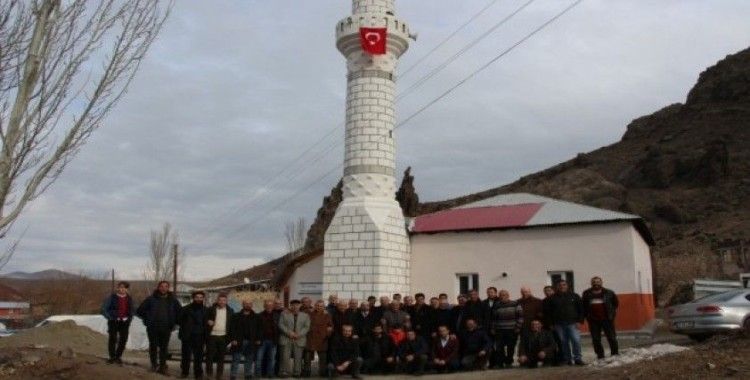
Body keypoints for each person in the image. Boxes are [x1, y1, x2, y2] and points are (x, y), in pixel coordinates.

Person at [136, 280, 182, 375]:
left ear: (168, 288)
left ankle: (162, 366)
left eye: (166, 286)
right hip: (153, 327)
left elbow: (179, 313)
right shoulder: (151, 299)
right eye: (162, 286)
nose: (164, 288)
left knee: (164, 348)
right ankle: (154, 365)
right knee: (153, 346)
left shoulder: (173, 300)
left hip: (166, 327)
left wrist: (174, 323)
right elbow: (140, 311)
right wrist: (147, 319)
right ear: (158, 287)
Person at [546, 280, 585, 365]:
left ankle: (578, 358)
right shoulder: (552, 298)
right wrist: (551, 324)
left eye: (564, 285)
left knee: (576, 340)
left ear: (567, 286)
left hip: (573, 323)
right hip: (558, 324)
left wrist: (580, 321)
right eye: (560, 285)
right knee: (563, 342)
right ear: (557, 287)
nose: (562, 286)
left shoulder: (574, 296)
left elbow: (581, 309)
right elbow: (548, 312)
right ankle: (568, 359)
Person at [582, 276, 620, 359]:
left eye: (598, 282)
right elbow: (584, 306)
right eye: (594, 282)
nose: (596, 283)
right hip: (593, 320)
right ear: (591, 283)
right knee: (596, 339)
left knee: (611, 337)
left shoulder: (609, 292)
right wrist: (587, 316)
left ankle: (615, 354)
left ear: (601, 282)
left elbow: (615, 304)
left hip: (607, 319)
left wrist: (612, 314)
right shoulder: (586, 293)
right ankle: (600, 355)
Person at [101, 281, 134, 365]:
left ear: (127, 289)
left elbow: (132, 309)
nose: (122, 289)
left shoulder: (129, 298)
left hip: (125, 321)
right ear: (117, 288)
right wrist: (110, 317)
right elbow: (104, 309)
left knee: (123, 339)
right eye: (120, 287)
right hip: (114, 320)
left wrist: (130, 318)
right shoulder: (112, 297)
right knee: (113, 338)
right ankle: (112, 357)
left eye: (124, 287)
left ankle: (118, 356)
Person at [489, 289, 523, 369]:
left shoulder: (515, 304)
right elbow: (494, 318)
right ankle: (500, 363)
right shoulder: (496, 305)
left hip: (512, 330)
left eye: (504, 295)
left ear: (508, 295)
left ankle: (509, 362)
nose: (502, 296)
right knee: (499, 347)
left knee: (511, 347)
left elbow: (520, 317)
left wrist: (518, 327)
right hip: (500, 330)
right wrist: (493, 328)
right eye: (501, 295)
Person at [178, 291, 208, 379]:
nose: (199, 299)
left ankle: (198, 374)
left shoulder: (206, 310)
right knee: (186, 355)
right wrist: (186, 326)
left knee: (198, 357)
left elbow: (208, 322)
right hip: (187, 336)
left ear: (203, 299)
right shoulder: (185, 309)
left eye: (201, 297)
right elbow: (179, 320)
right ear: (193, 298)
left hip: (200, 336)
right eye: (197, 297)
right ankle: (184, 372)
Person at [278, 299, 310, 377]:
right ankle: (285, 372)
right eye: (293, 305)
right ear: (291, 306)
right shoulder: (284, 314)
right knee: (285, 356)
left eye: (297, 304)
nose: (295, 306)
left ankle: (297, 372)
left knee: (298, 357)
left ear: (300, 305)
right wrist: (289, 333)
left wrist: (299, 334)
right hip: (286, 338)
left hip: (299, 339)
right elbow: (280, 325)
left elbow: (306, 327)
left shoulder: (305, 315)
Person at [228, 299, 260, 380]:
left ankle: (248, 374)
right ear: (242, 305)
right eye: (246, 304)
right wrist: (233, 339)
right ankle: (233, 375)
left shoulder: (256, 317)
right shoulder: (236, 316)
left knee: (249, 359)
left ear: (252, 305)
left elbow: (260, 329)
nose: (248, 305)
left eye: (249, 304)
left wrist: (258, 339)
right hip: (238, 341)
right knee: (236, 359)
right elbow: (232, 329)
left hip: (251, 341)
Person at [206, 293, 234, 379]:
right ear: (217, 301)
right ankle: (209, 374)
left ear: (226, 301)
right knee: (209, 357)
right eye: (220, 300)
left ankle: (219, 375)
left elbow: (232, 325)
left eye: (224, 300)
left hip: (223, 337)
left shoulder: (230, 311)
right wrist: (208, 322)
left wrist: (230, 338)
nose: (222, 302)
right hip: (212, 336)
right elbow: (205, 319)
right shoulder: (211, 309)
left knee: (221, 357)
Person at [305, 300, 333, 378]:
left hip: (322, 339)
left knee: (323, 359)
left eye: (321, 306)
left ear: (324, 307)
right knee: (307, 358)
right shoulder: (309, 313)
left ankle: (322, 372)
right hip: (310, 338)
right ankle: (307, 372)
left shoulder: (327, 315)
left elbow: (330, 326)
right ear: (315, 306)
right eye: (317, 306)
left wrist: (327, 333)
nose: (319, 307)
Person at [256, 299, 280, 378]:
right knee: (259, 358)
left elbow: (279, 328)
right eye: (267, 305)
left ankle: (270, 374)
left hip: (273, 340)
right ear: (264, 306)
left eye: (270, 305)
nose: (268, 307)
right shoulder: (259, 315)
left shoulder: (277, 316)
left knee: (272, 359)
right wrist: (257, 339)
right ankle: (258, 374)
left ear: (273, 306)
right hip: (261, 341)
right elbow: (256, 328)